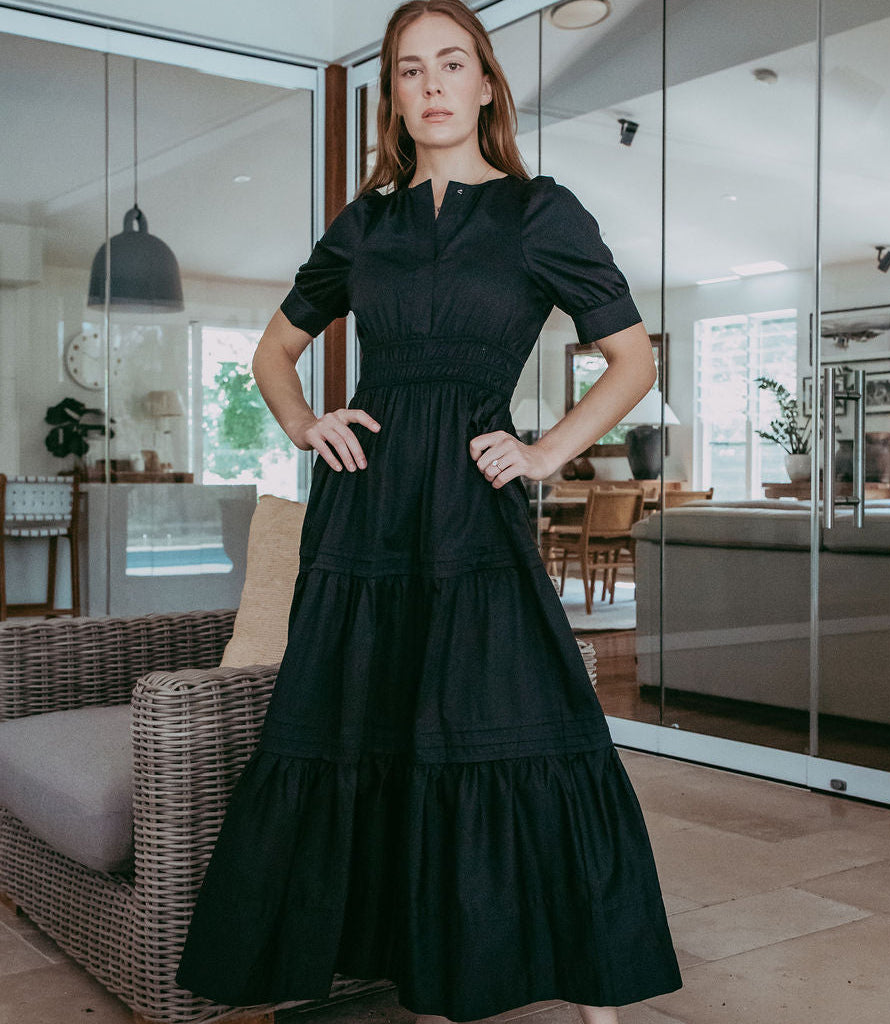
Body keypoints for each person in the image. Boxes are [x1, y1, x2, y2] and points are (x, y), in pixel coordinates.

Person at [175, 2, 683, 1021]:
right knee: (358, 727)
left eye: (452, 64)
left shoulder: (542, 212)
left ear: (487, 85)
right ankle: (373, 962)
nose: (431, 85)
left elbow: (631, 359)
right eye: (409, 71)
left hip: (472, 506)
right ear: (396, 99)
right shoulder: (365, 222)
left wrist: (544, 450)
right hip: (362, 510)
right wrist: (306, 422)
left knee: (517, 721)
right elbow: (272, 353)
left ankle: (586, 989)